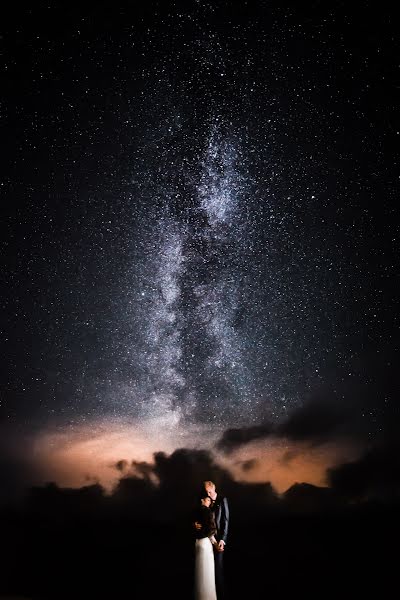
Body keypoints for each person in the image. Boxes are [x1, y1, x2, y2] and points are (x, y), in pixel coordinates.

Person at [203, 480, 229, 600]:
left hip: (218, 541)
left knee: (218, 572)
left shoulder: (222, 499)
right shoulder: (205, 500)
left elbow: (225, 521)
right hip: (207, 539)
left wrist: (222, 540)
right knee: (208, 572)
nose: (208, 494)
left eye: (210, 491)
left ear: (214, 488)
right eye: (206, 492)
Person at [193, 494, 218, 600]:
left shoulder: (195, 512)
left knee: (199, 572)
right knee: (207, 573)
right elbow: (212, 530)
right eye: (208, 500)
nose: (209, 502)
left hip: (197, 543)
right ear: (202, 500)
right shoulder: (208, 511)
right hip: (205, 543)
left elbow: (194, 526)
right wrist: (216, 544)